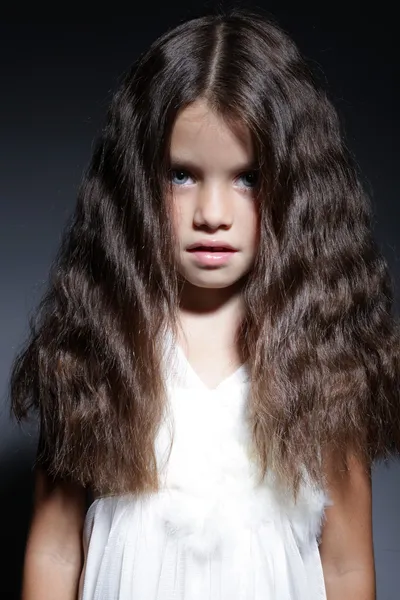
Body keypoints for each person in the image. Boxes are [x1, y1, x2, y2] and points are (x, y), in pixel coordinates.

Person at [9, 6, 400, 600]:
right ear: (137, 183)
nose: (212, 215)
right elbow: (56, 546)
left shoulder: (325, 363)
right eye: (182, 175)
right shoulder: (98, 346)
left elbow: (345, 563)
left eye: (247, 178)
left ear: (298, 188)